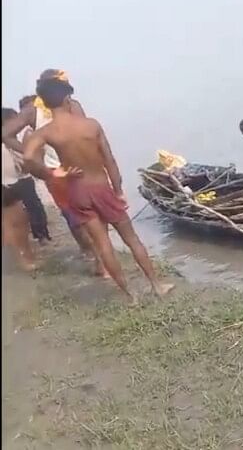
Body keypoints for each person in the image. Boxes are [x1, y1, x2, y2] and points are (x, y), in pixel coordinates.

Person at [23, 73, 173, 304]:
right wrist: (119, 191)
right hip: (101, 188)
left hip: (77, 192)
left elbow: (28, 158)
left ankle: (130, 297)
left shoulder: (46, 132)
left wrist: (52, 173)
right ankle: (156, 285)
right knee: (131, 239)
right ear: (67, 99)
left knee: (103, 244)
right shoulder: (90, 125)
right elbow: (110, 161)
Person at [3, 83, 105, 275]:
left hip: (60, 173)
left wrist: (38, 163)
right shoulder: (65, 109)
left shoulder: (44, 120)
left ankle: (93, 255)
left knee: (77, 215)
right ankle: (96, 256)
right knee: (84, 215)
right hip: (69, 172)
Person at [1, 107, 50, 243]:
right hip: (10, 181)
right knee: (20, 211)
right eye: (13, 119)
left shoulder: (18, 138)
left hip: (23, 178)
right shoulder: (7, 141)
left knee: (35, 207)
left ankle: (41, 235)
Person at [2, 142, 36, 271]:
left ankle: (26, 256)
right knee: (8, 224)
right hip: (6, 183)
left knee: (21, 220)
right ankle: (20, 261)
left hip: (11, 181)